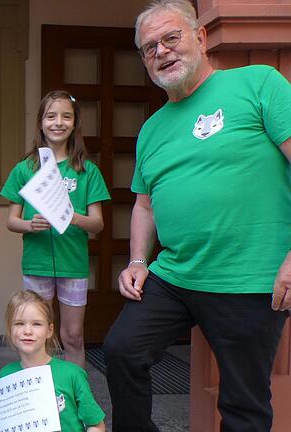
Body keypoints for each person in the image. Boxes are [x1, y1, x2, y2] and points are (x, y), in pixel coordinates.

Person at [102, 1, 291, 430]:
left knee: (244, 404)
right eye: (150, 48)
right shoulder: (152, 128)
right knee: (121, 350)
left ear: (201, 38)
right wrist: (136, 260)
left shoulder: (258, 83)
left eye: (171, 38)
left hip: (249, 278)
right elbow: (144, 204)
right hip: (175, 275)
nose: (162, 52)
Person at [0, 90, 109, 369]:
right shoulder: (25, 169)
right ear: (40, 123)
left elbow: (97, 224)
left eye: (66, 116)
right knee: (35, 336)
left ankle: (73, 398)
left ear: (75, 124)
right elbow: (11, 220)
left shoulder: (87, 170)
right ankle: (39, 400)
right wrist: (29, 224)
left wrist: (71, 217)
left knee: (72, 336)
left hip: (73, 263)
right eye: (50, 116)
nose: (57, 122)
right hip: (37, 263)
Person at [0, 290, 105, 432]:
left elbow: (96, 424)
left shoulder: (71, 374)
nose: (27, 331)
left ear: (49, 330)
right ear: (10, 330)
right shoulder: (5, 376)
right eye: (19, 323)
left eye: (36, 324)